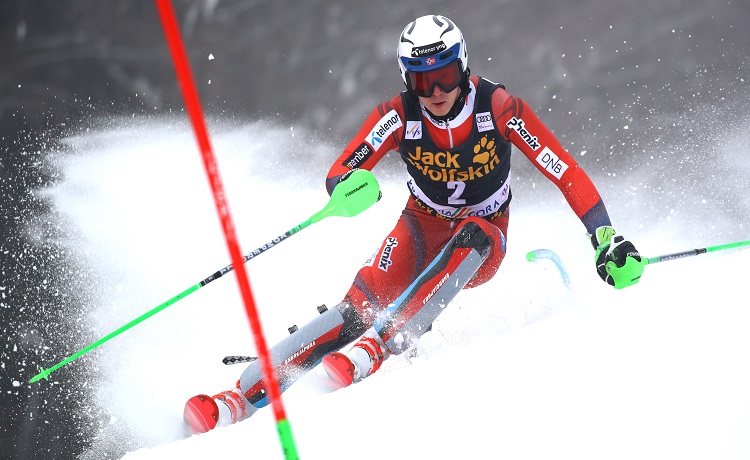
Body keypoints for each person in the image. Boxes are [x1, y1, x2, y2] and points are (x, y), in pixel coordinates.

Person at [183, 14, 645, 434]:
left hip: (481, 244)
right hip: (419, 229)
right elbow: (342, 169)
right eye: (422, 81)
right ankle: (239, 398)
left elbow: (563, 168)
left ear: (462, 69)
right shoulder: (398, 115)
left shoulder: (499, 108)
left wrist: (604, 236)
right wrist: (348, 186)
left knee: (474, 233)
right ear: (408, 80)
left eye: (444, 76)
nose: (435, 91)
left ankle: (383, 345)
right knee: (353, 311)